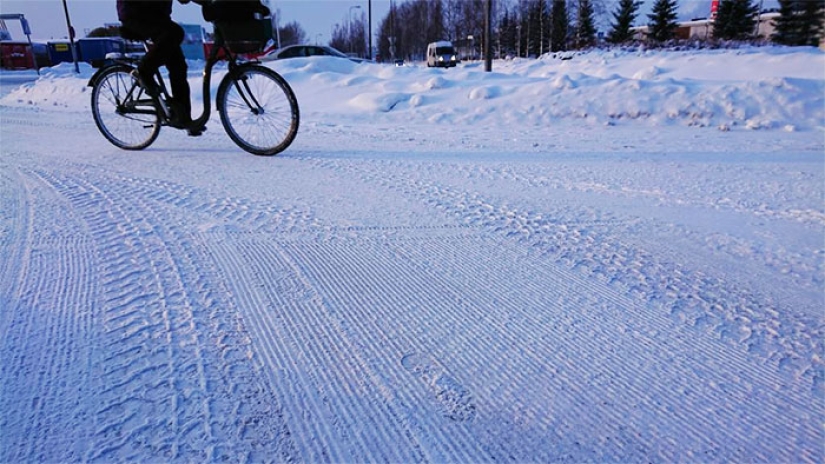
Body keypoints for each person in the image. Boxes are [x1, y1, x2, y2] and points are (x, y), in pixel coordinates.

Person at [117, 0, 202, 135]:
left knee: (179, 67)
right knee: (175, 32)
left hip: (156, 16)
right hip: (135, 14)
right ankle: (143, 70)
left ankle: (183, 118)